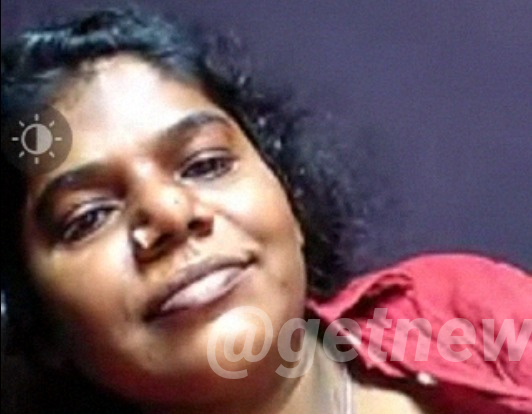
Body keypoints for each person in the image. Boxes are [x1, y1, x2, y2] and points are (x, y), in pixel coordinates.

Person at [1, 7, 530, 414]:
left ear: (287, 195)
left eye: (206, 164)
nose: (170, 211)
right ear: (37, 324)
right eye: (88, 216)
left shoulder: (462, 307)